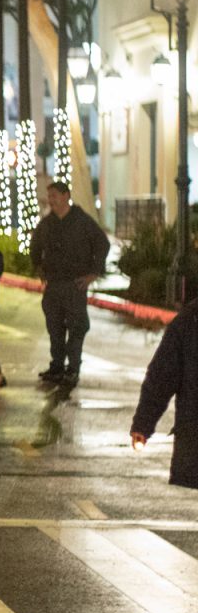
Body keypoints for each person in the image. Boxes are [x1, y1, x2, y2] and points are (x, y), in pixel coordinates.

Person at [29, 181, 110, 388]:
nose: (51, 200)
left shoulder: (81, 221)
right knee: (54, 327)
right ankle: (57, 366)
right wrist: (38, 266)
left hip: (75, 285)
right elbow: (35, 245)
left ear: (66, 196)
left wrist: (93, 273)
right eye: (50, 196)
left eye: (55, 195)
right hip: (54, 284)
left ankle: (72, 368)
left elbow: (102, 243)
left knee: (76, 327)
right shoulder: (47, 224)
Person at [130, 298, 198, 491]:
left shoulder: (190, 320)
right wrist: (143, 424)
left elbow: (162, 376)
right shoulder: (190, 321)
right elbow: (162, 376)